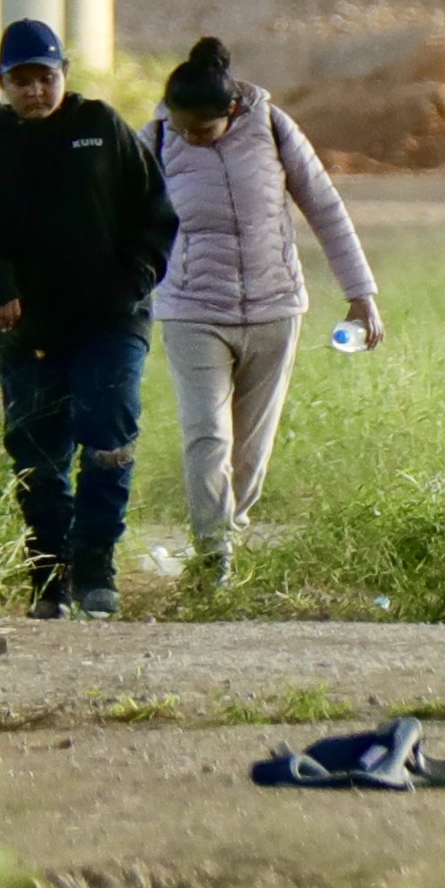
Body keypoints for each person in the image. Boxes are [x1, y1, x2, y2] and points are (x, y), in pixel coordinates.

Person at [0, 19, 174, 617]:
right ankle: (48, 576)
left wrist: (136, 277)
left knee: (108, 432)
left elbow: (155, 210)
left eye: (44, 78)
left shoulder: (99, 127)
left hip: (111, 319)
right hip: (27, 327)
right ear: (1, 82)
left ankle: (96, 565)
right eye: (20, 81)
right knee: (37, 456)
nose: (34, 91)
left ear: (63, 75)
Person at [145, 36, 380, 596]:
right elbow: (116, 218)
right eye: (181, 128)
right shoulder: (153, 140)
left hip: (275, 309)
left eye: (200, 130)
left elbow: (323, 205)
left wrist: (360, 292)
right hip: (192, 311)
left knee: (250, 451)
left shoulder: (272, 127)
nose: (189, 138)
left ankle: (230, 530)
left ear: (230, 111)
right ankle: (214, 553)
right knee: (207, 435)